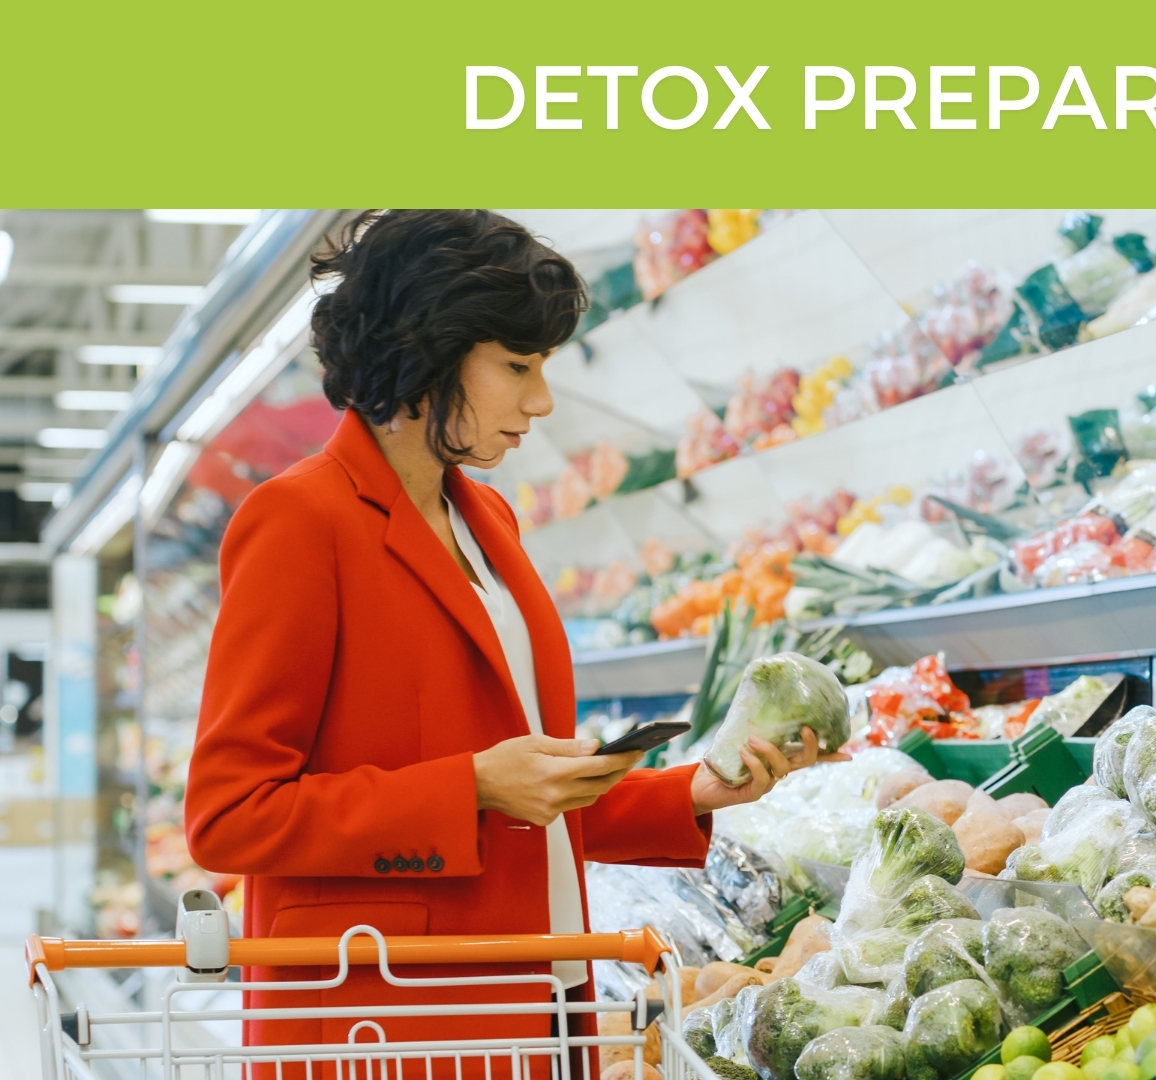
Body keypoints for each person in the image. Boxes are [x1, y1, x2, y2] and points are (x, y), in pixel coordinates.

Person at [183, 210, 826, 1060]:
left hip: (540, 987)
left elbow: (525, 789)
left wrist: (691, 793)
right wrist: (471, 788)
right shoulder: (301, 520)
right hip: (387, 1014)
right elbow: (231, 815)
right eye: (517, 366)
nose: (541, 400)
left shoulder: (487, 519)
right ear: (425, 351)